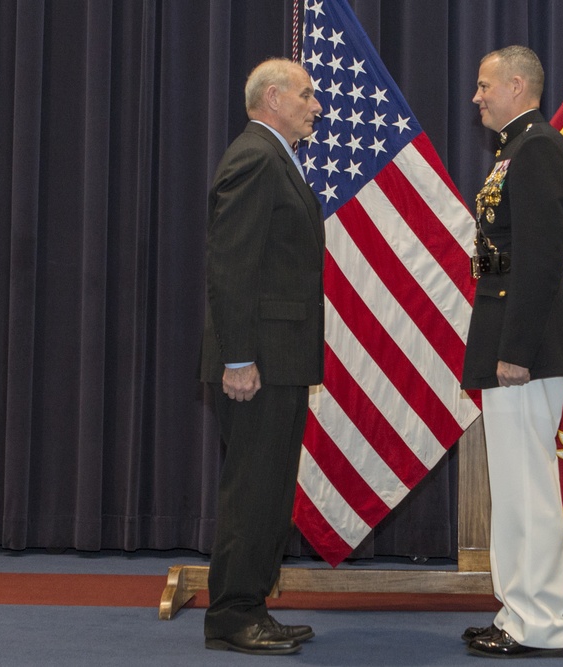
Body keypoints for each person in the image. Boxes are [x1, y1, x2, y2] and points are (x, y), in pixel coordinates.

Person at [460, 45, 563, 659]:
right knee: (513, 487)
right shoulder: (517, 148)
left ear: (517, 84)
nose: (477, 96)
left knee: (528, 488)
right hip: (511, 333)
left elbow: (538, 257)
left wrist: (516, 349)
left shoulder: (536, 149)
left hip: (524, 341)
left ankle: (539, 623)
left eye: (485, 86)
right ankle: (517, 613)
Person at [199, 57, 325, 656]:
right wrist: (238, 358)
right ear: (272, 98)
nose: (315, 106)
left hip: (279, 358)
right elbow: (231, 267)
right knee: (252, 490)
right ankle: (230, 614)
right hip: (258, 363)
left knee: (269, 489)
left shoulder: (274, 156)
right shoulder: (255, 157)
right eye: (305, 95)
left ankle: (250, 605)